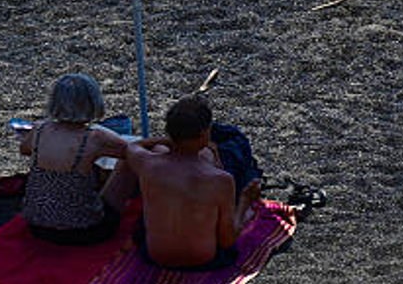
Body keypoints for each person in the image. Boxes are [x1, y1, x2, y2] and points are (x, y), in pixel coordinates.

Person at [108, 95, 261, 270]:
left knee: (161, 151)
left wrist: (169, 141)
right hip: (205, 260)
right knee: (236, 145)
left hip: (155, 257)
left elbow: (132, 147)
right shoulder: (221, 180)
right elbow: (227, 241)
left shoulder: (147, 165)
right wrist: (244, 202)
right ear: (205, 134)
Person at [17, 73, 130, 245]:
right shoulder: (95, 137)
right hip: (86, 232)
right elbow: (133, 152)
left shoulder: (39, 129)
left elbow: (24, 150)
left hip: (37, 227)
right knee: (127, 163)